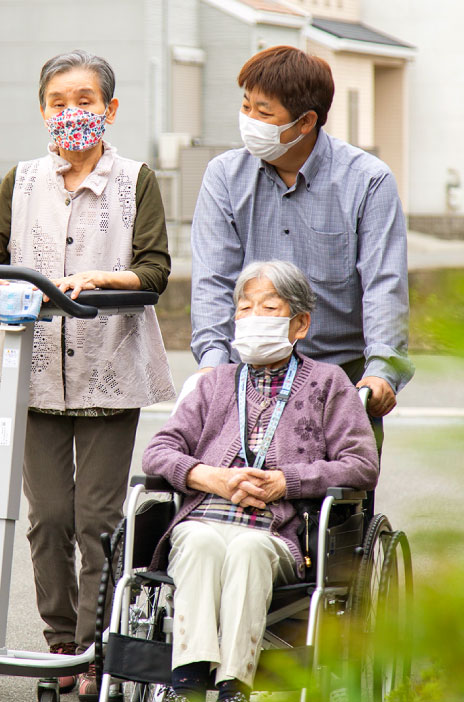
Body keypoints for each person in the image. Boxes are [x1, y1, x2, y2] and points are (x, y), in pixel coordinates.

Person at [0, 49, 175, 700]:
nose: (71, 112)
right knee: (49, 516)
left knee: (98, 519)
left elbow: (155, 270)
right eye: (58, 102)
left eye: (85, 101)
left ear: (110, 110)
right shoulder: (20, 182)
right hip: (35, 375)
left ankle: (92, 649)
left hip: (111, 367)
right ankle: (59, 643)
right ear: (42, 110)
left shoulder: (135, 179)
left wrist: (102, 279)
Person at [142, 260, 379, 702]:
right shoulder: (213, 384)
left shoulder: (330, 384)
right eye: (244, 308)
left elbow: (362, 465)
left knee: (248, 548)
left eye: (268, 308)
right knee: (196, 540)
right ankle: (188, 680)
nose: (252, 318)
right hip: (207, 517)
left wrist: (284, 482)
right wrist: (207, 476)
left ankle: (235, 684)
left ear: (299, 324)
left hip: (276, 533)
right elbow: (157, 451)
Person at [190, 45, 414, 436]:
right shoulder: (225, 176)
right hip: (247, 373)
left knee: (339, 489)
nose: (249, 121)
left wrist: (382, 372)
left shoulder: (367, 181)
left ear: (306, 121)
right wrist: (212, 363)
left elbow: (384, 285)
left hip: (341, 377)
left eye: (263, 112)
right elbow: (213, 279)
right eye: (246, 108)